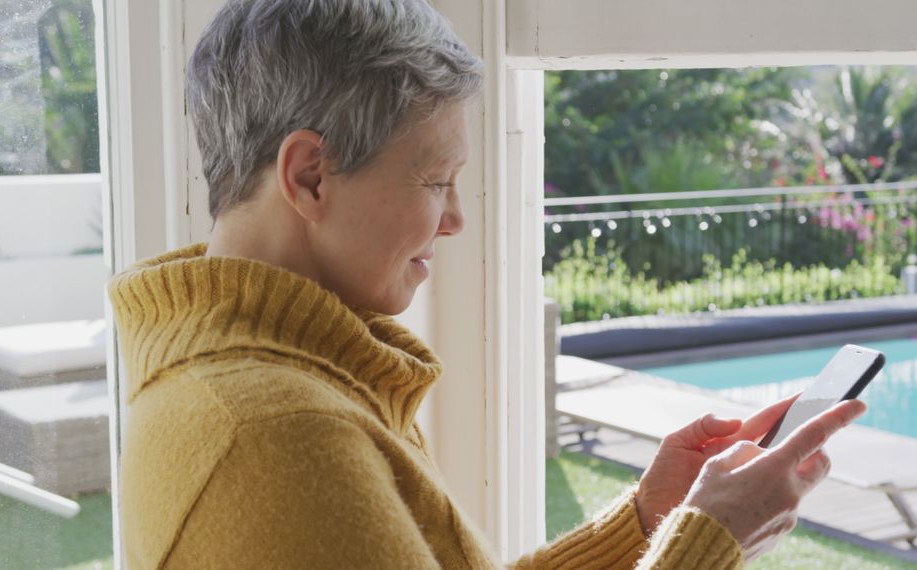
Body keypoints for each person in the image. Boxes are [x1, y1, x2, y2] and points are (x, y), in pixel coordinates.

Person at [107, 0, 866, 568]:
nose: (456, 219)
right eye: (437, 179)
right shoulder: (274, 435)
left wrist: (646, 519)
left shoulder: (281, 381)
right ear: (309, 176)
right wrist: (707, 546)